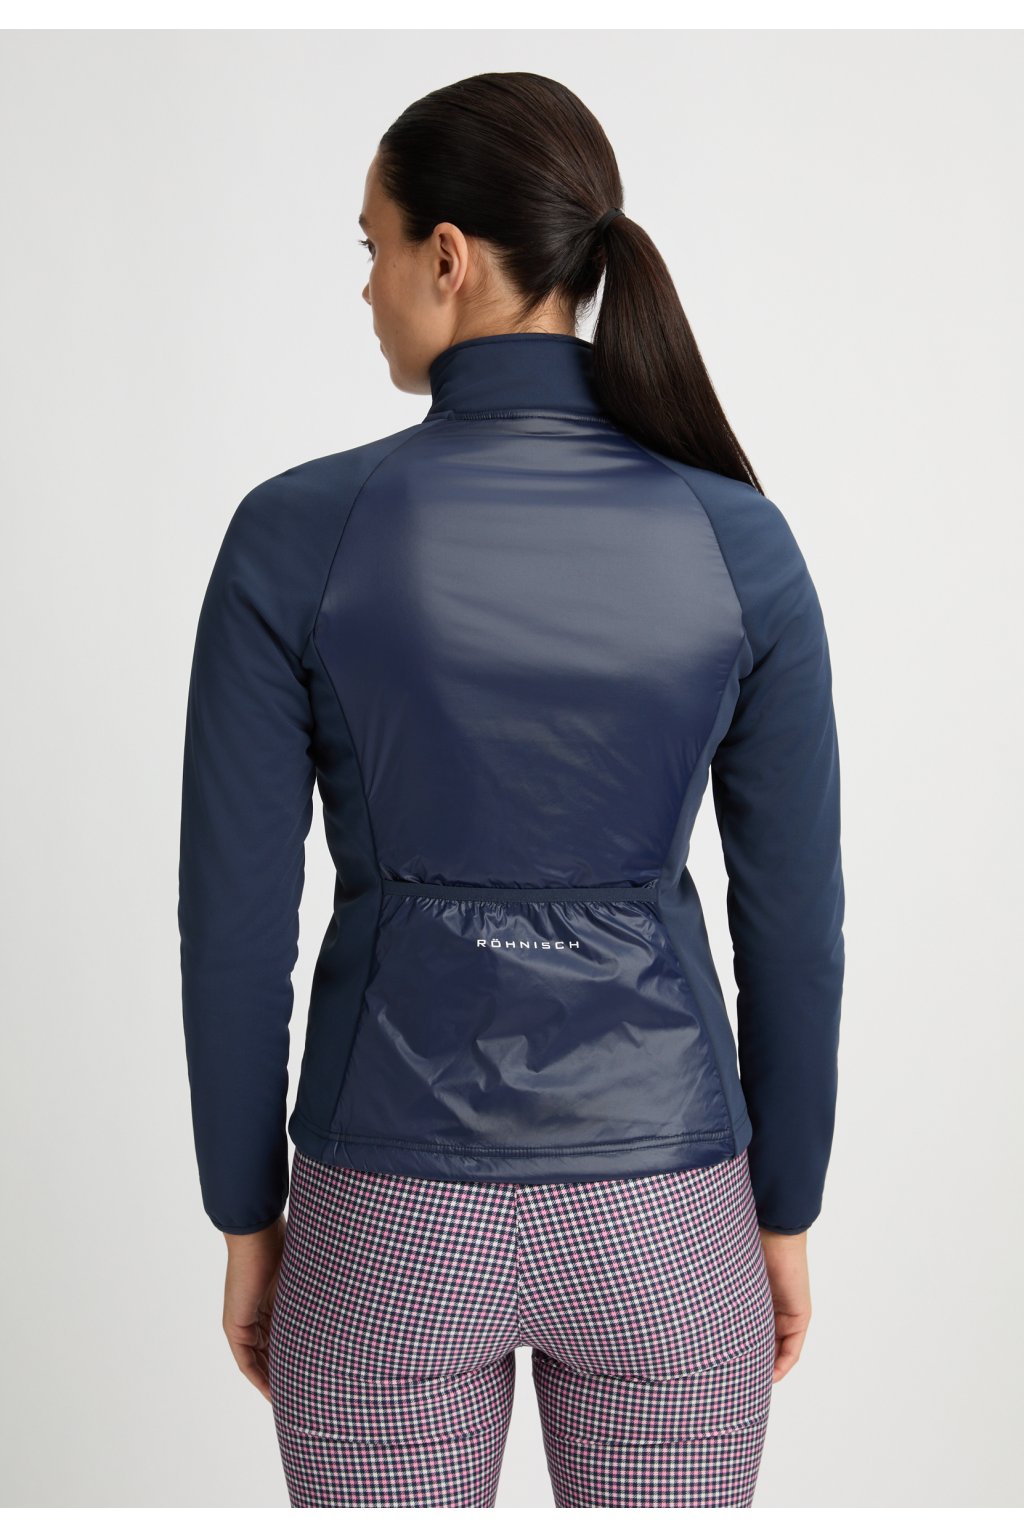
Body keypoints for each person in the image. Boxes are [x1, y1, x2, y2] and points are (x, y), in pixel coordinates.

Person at [178, 70, 845, 1510]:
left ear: (446, 256)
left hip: (385, 1219)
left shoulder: (294, 534)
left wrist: (247, 1215)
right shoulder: (742, 541)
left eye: (370, 246)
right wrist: (783, 1207)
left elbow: (230, 924)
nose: (364, 287)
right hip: (669, 1217)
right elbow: (796, 926)